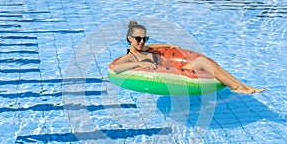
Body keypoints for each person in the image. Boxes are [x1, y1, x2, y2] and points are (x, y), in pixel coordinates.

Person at [112, 21, 265, 94]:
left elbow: (154, 46)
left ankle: (242, 86)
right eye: (138, 38)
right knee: (203, 62)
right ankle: (236, 87)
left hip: (176, 68)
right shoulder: (130, 57)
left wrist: (170, 46)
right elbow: (115, 68)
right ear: (129, 39)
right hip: (176, 74)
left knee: (212, 64)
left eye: (145, 38)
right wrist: (136, 65)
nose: (142, 41)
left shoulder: (144, 48)